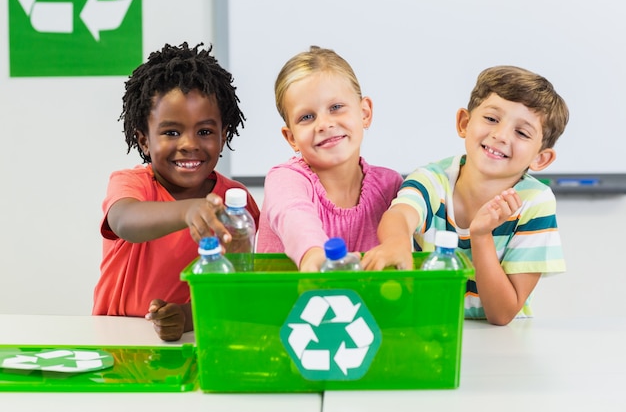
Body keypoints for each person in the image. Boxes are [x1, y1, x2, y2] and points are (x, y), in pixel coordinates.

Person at [362, 65, 569, 326]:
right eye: (492, 119)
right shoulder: (431, 179)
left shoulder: (534, 202)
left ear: (541, 158)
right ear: (464, 123)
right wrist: (395, 242)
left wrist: (481, 235)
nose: (500, 135)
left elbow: (501, 314)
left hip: (502, 344)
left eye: (522, 132)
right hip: (429, 329)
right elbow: (401, 215)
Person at [93, 42, 260, 341]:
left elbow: (233, 288)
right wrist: (188, 210)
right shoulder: (132, 185)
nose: (189, 144)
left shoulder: (236, 204)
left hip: (200, 338)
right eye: (171, 132)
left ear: (224, 136)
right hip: (116, 340)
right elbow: (125, 221)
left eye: (205, 132)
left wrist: (185, 316)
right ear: (144, 140)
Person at [256, 46, 403, 271]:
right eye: (307, 117)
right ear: (291, 137)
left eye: (336, 107)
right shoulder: (285, 180)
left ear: (364, 113)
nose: (324, 124)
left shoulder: (390, 186)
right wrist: (313, 254)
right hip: (290, 305)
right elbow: (292, 214)